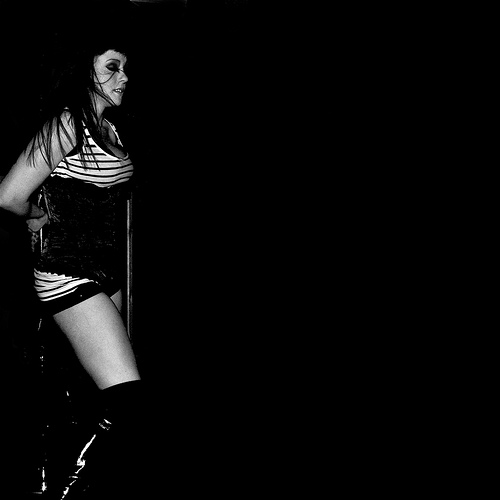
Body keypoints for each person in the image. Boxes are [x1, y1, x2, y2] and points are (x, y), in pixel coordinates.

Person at [0, 33, 145, 499]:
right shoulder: (66, 125)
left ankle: (62, 478)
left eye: (125, 67)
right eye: (112, 67)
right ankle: (66, 494)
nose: (124, 77)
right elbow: (9, 195)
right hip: (66, 272)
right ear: (85, 70)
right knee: (127, 399)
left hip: (107, 272)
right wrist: (35, 215)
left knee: (94, 395)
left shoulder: (113, 128)